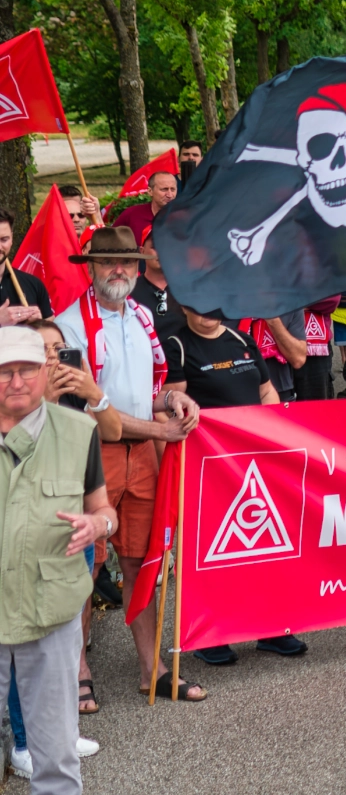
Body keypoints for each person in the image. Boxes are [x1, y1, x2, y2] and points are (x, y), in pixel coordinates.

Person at [54, 228, 202, 703]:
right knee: (85, 565)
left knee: (143, 560)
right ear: (90, 267)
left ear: (138, 269)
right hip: (91, 455)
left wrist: (176, 400)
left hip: (140, 455)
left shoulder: (140, 316)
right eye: (108, 263)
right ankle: (76, 672)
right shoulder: (69, 326)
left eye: (127, 263)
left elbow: (149, 392)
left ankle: (151, 666)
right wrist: (159, 430)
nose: (119, 271)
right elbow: (94, 415)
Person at [0, 326, 115, 795]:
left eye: (26, 369)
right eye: (4, 372)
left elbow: (104, 509)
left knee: (55, 750)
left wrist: (100, 528)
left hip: (50, 614)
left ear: (46, 373)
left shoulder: (79, 431)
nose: (15, 381)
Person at [166, 309, 307, 668]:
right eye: (198, 307)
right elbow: (172, 406)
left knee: (266, 549)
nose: (207, 315)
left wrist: (272, 434)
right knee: (215, 553)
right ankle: (213, 634)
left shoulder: (242, 340)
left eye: (215, 307)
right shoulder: (178, 346)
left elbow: (266, 391)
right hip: (208, 467)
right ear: (185, 307)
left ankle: (272, 629)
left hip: (254, 463)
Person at [0, 210, 50, 323]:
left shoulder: (34, 284)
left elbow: (52, 336)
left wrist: (39, 324)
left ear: (12, 238)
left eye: (4, 240)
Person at [112, 169, 176, 249]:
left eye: (173, 189)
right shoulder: (132, 215)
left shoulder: (184, 218)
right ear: (150, 191)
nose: (170, 195)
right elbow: (109, 241)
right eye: (164, 189)